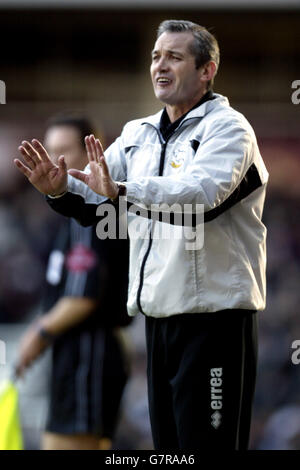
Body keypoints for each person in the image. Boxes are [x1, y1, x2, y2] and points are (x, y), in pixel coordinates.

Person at [14, 20, 269, 450]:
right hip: (158, 321)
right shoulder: (138, 134)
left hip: (215, 322)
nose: (160, 65)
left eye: (174, 56)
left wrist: (123, 191)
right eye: (155, 56)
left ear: (207, 70)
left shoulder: (229, 129)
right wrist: (58, 190)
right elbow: (97, 195)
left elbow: (202, 196)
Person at [15, 114, 131, 450]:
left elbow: (83, 296)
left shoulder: (91, 210)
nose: (54, 161)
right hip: (78, 352)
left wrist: (37, 334)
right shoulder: (67, 211)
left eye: (64, 150)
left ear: (94, 153)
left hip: (88, 352)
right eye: (50, 151)